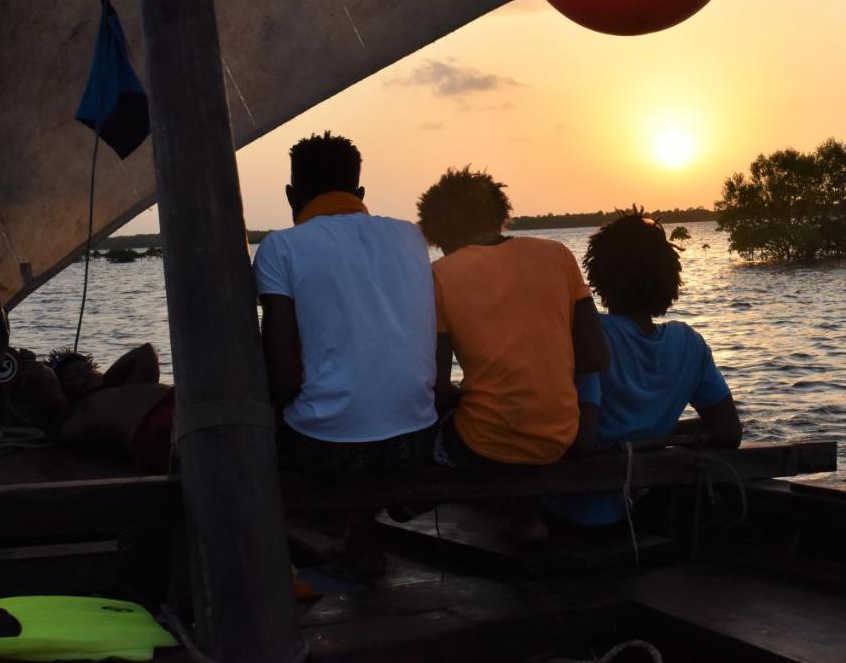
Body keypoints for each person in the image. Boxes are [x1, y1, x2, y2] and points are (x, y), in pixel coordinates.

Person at [254, 132, 438, 573]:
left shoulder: (280, 247)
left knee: (272, 427)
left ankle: (266, 561)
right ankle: (361, 538)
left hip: (328, 449)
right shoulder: (411, 236)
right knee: (353, 409)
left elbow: (281, 378)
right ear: (360, 194)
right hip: (416, 440)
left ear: (290, 196)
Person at [546, 210, 742, 527]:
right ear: (670, 279)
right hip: (635, 507)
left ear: (597, 275)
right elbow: (728, 432)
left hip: (566, 508)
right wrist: (658, 435)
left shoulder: (587, 336)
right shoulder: (689, 344)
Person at [416, 166, 609, 474]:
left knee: (418, 443)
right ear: (499, 214)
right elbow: (597, 356)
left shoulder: (439, 275)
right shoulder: (557, 255)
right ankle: (525, 513)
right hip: (560, 438)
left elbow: (435, 388)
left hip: (484, 443)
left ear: (437, 232)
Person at [13, 343, 175, 473]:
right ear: (60, 390)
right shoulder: (69, 418)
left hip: (178, 403)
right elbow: (40, 372)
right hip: (156, 426)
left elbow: (145, 352)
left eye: (89, 370)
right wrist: (25, 363)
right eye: (73, 376)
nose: (86, 374)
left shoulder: (125, 388)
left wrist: (102, 381)